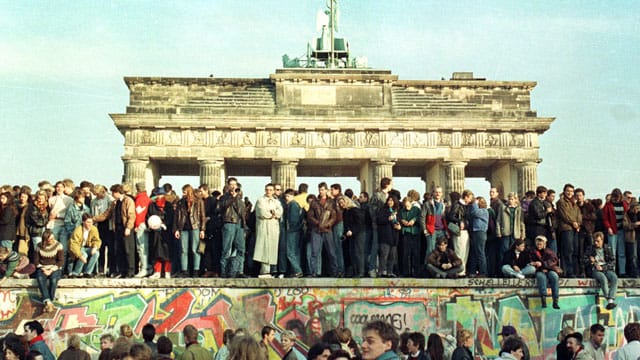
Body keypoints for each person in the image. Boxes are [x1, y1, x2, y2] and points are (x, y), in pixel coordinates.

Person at [94, 184, 136, 278]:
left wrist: (128, 227)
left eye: (113, 192)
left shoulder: (128, 201)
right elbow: (106, 214)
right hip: (117, 229)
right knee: (119, 250)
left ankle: (130, 271)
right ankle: (122, 271)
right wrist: (94, 218)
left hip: (125, 228)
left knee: (128, 250)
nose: (112, 194)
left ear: (118, 192)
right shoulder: (114, 203)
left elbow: (131, 215)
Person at [173, 184, 206, 277]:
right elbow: (176, 217)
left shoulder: (198, 201)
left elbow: (202, 216)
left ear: (189, 191)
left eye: (184, 192)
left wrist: (202, 229)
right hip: (183, 228)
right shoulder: (180, 202)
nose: (183, 194)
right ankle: (184, 271)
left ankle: (196, 270)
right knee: (183, 250)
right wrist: (176, 229)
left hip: (195, 227)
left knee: (195, 249)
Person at [219, 177, 248, 278]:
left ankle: (239, 270)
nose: (233, 186)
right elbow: (222, 207)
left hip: (239, 224)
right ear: (228, 186)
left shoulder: (240, 199)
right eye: (231, 184)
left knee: (241, 248)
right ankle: (224, 271)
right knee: (226, 248)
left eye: (234, 184)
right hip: (228, 223)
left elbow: (242, 212)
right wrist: (232, 197)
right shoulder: (224, 197)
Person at [307, 183, 338, 277]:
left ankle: (335, 272)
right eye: (320, 190)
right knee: (314, 252)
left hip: (328, 230)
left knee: (331, 252)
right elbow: (310, 216)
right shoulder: (314, 202)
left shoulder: (331, 202)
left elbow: (334, 216)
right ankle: (314, 272)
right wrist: (317, 223)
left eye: (323, 190)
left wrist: (328, 224)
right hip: (316, 229)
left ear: (326, 190)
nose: (321, 191)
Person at [253, 184, 283, 278]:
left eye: (270, 190)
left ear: (273, 191)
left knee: (272, 249)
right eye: (267, 189)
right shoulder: (260, 200)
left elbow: (280, 212)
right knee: (263, 248)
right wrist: (272, 214)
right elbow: (262, 212)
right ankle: (264, 270)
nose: (268, 191)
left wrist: (274, 213)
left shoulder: (276, 201)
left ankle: (270, 270)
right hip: (264, 227)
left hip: (273, 228)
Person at [583, 231, 618, 309]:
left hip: (605, 268)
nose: (596, 243)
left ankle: (611, 298)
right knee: (603, 278)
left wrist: (604, 267)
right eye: (595, 241)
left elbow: (613, 261)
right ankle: (609, 300)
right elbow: (583, 260)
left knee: (614, 278)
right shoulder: (590, 248)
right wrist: (590, 261)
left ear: (602, 240)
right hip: (595, 270)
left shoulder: (607, 248)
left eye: (598, 241)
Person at [146, 187, 173, 279]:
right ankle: (157, 271)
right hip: (155, 232)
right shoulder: (152, 205)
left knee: (167, 253)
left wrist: (164, 224)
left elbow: (171, 217)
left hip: (166, 232)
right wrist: (152, 225)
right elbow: (149, 216)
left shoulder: (168, 205)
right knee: (156, 252)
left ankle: (167, 271)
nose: (158, 197)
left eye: (160, 195)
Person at [529, 235, 561, 309]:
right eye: (538, 243)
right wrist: (534, 263)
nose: (539, 245)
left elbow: (553, 261)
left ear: (544, 244)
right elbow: (530, 261)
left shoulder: (549, 251)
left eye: (541, 243)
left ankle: (555, 300)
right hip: (539, 270)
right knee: (541, 277)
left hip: (549, 269)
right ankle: (543, 299)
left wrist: (543, 265)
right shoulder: (532, 251)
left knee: (554, 276)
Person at [602, 188, 628, 277]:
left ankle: (622, 271)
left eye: (618, 197)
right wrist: (609, 227)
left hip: (622, 230)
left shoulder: (624, 204)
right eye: (615, 196)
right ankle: (612, 270)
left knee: (622, 252)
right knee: (612, 252)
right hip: (612, 230)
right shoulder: (608, 205)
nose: (616, 198)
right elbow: (605, 219)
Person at [447, 190, 473, 276]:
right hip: (459, 231)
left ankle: (463, 270)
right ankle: (458, 271)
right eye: (470, 198)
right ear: (465, 197)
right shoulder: (457, 205)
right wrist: (460, 221)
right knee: (459, 250)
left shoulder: (467, 206)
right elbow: (451, 216)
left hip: (465, 230)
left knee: (465, 251)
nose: (470, 200)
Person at [339, 196, 366, 278]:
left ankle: (360, 272)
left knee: (358, 253)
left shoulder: (355, 210)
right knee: (352, 253)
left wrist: (352, 231)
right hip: (350, 235)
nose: (341, 204)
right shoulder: (345, 212)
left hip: (358, 234)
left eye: (342, 202)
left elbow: (360, 223)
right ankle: (355, 271)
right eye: (340, 203)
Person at [68, 213, 101, 278]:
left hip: (87, 247)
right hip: (79, 247)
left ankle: (88, 272)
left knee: (96, 253)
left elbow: (97, 240)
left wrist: (95, 246)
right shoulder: (78, 230)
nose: (90, 224)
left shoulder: (94, 229)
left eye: (91, 222)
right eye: (88, 222)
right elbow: (74, 245)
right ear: (83, 222)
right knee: (84, 255)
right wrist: (80, 256)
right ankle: (76, 272)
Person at [376, 196, 401, 278]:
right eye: (389, 200)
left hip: (394, 236)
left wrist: (399, 226)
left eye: (392, 200)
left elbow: (399, 221)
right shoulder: (383, 210)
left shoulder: (397, 211)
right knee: (384, 255)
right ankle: (381, 271)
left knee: (392, 256)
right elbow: (379, 220)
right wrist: (388, 219)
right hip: (385, 236)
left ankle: (390, 272)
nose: (390, 202)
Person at [283, 189, 304, 278]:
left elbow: (293, 220)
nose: (286, 198)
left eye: (288, 196)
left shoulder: (292, 204)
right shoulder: (296, 204)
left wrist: (289, 229)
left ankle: (297, 270)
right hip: (297, 231)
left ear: (292, 196)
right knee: (295, 252)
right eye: (285, 197)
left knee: (290, 252)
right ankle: (296, 271)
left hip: (292, 231)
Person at [399, 197, 421, 277]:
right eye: (405, 205)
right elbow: (399, 218)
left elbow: (420, 217)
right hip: (406, 233)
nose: (406, 207)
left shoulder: (416, 209)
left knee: (415, 253)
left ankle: (416, 272)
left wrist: (414, 220)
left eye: (408, 205)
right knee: (406, 253)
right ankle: (406, 272)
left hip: (415, 232)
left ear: (411, 203)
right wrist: (402, 221)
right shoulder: (402, 211)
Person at [467, 196, 489, 277]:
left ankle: (483, 272)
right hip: (475, 232)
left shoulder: (484, 211)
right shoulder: (476, 210)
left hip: (480, 232)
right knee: (474, 252)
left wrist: (475, 203)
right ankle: (472, 271)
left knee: (480, 253)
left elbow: (475, 213)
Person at [134, 182, 151, 278]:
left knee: (141, 247)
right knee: (146, 246)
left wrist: (136, 225)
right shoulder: (147, 199)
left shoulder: (139, 199)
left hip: (140, 225)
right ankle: (147, 266)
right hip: (146, 224)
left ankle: (144, 268)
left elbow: (139, 213)